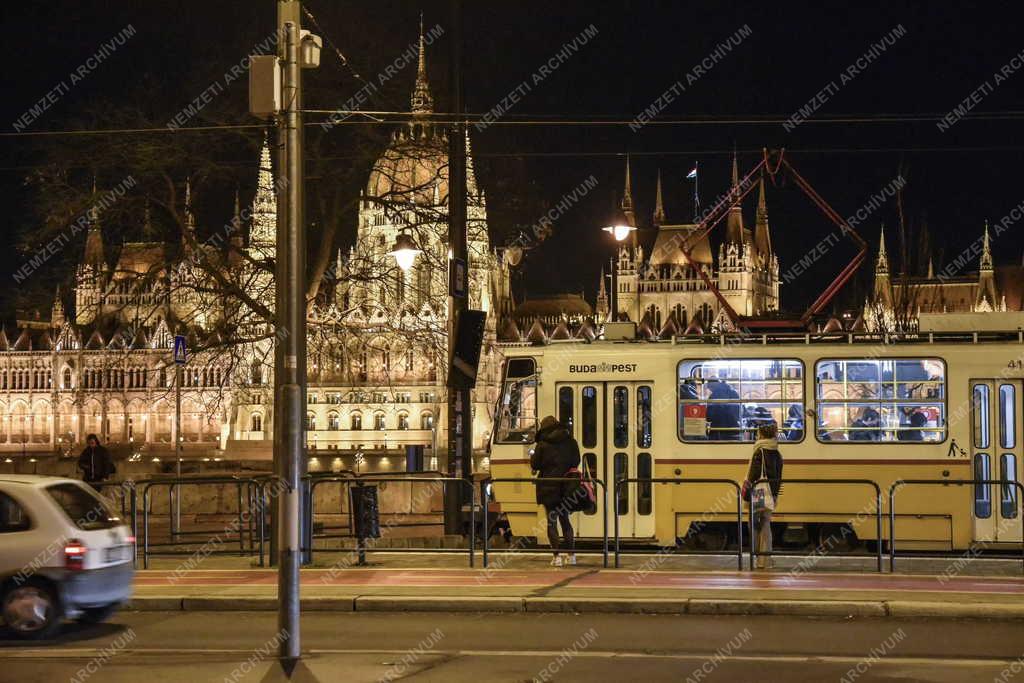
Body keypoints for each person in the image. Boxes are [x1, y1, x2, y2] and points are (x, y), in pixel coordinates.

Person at [531, 415, 581, 567]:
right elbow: (576, 460)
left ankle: (556, 557)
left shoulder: (542, 444)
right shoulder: (570, 441)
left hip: (548, 486)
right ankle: (571, 556)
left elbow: (535, 464)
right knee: (565, 520)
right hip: (566, 486)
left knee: (551, 522)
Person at [743, 423, 783, 569]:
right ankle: (765, 560)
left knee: (753, 524)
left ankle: (755, 558)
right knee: (766, 523)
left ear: (761, 434)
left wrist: (747, 493)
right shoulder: (777, 452)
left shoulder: (759, 451)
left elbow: (753, 475)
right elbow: (779, 477)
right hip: (770, 492)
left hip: (758, 491)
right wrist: (775, 495)